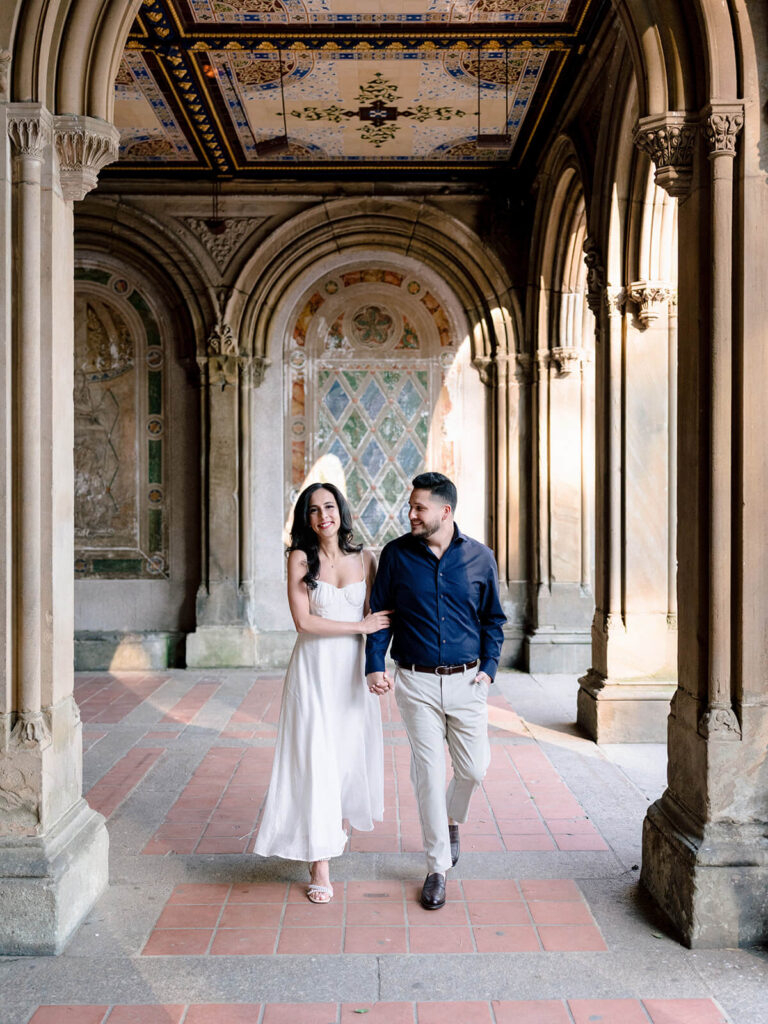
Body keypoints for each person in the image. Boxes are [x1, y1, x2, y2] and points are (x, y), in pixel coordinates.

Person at [365, 472, 506, 910]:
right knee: (427, 773)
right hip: (415, 680)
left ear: (445, 511)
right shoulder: (395, 555)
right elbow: (380, 613)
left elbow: (493, 620)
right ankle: (437, 867)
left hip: (468, 682)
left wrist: (489, 668)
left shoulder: (481, 558)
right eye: (411, 506)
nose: (411, 514)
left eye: (419, 507)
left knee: (474, 770)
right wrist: (374, 665)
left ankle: (452, 820)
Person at [254, 482, 391, 903]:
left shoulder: (366, 558)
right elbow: (304, 623)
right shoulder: (299, 559)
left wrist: (377, 667)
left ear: (341, 511)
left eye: (329, 507)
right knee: (316, 758)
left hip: (350, 673)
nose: (322, 516)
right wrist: (359, 628)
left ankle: (332, 826)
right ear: (306, 519)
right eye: (313, 510)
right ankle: (320, 863)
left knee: (346, 756)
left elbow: (380, 618)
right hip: (313, 670)